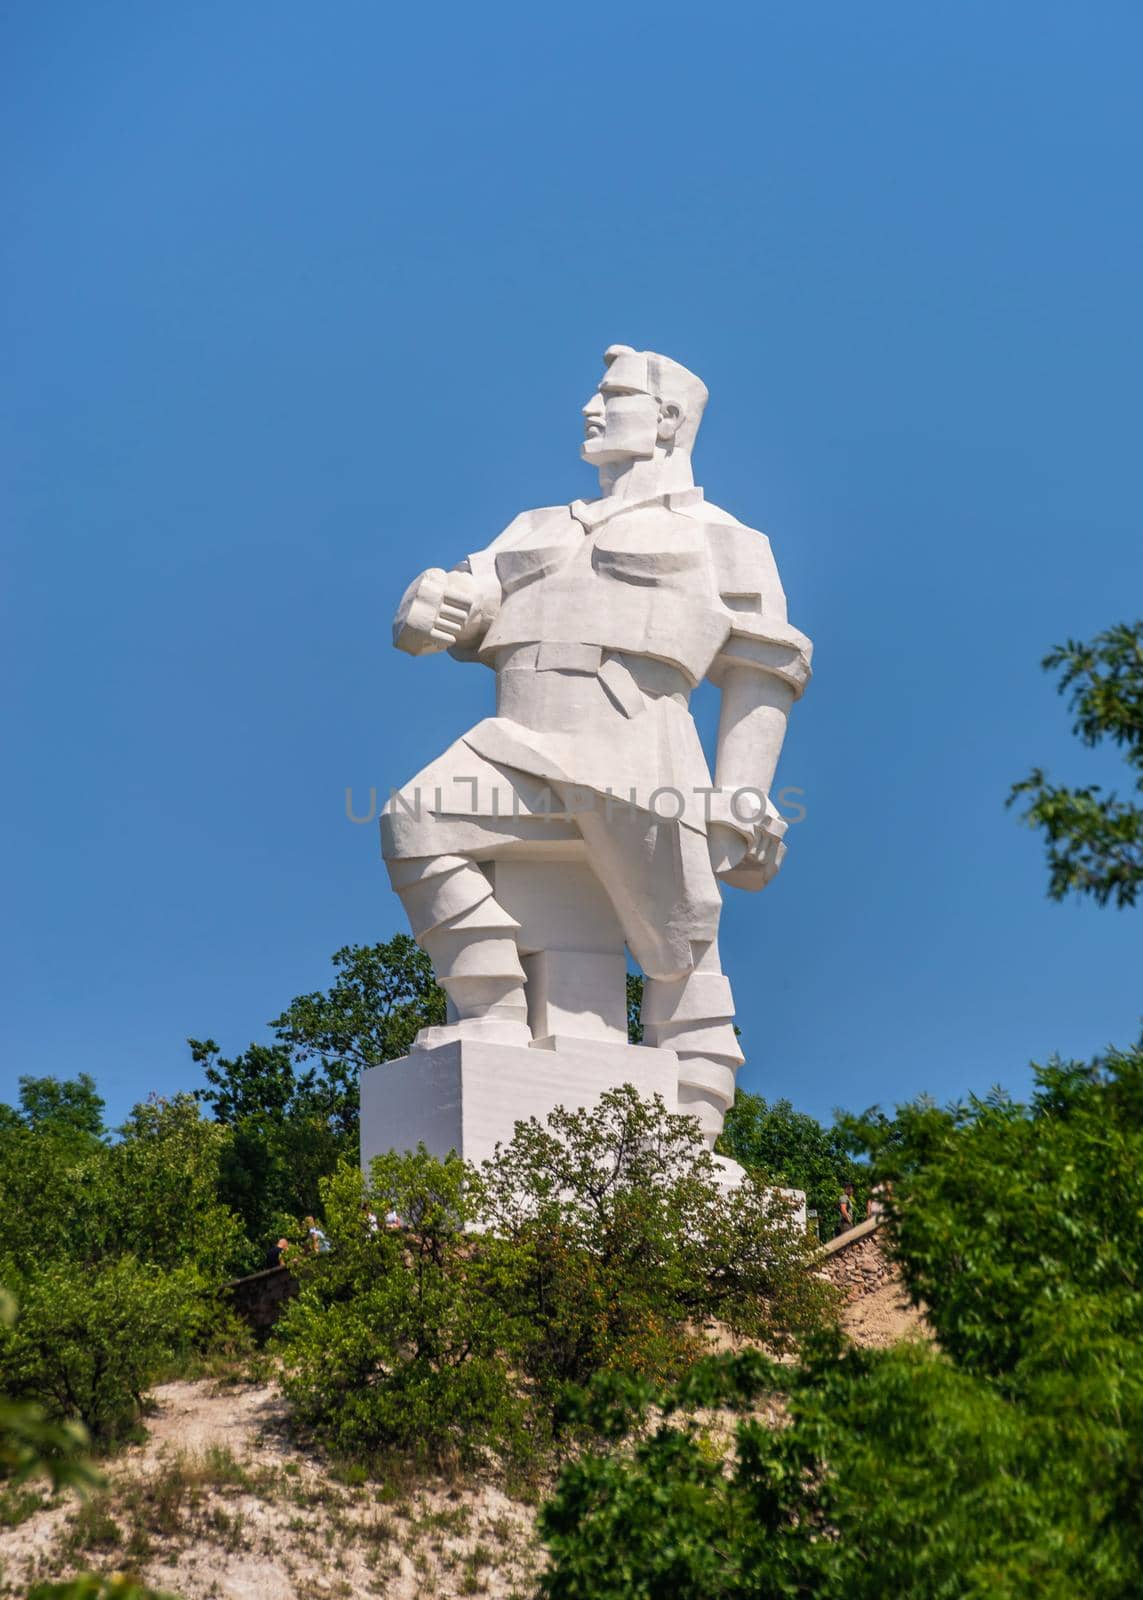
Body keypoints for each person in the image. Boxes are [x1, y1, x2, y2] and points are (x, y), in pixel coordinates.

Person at [383, 345, 812, 1146]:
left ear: (668, 420)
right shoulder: (535, 525)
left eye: (611, 395)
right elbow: (456, 600)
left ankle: (691, 1132)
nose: (589, 407)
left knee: (680, 944)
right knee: (415, 821)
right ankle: (493, 1007)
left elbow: (763, 671)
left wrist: (742, 791)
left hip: (637, 745)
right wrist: (424, 606)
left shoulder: (724, 537)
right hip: (520, 735)